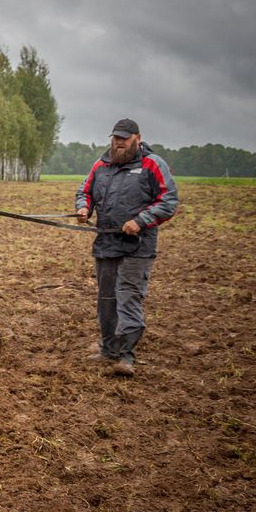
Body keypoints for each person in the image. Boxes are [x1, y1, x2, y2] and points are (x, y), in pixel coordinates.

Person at [75, 118, 178, 376]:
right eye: (116, 138)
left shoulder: (152, 164)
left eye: (124, 138)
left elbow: (168, 201)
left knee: (128, 296)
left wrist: (140, 221)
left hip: (137, 246)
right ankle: (109, 350)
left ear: (137, 138)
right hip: (106, 242)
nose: (119, 143)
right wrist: (84, 207)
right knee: (106, 299)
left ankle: (126, 356)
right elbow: (85, 190)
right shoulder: (101, 164)